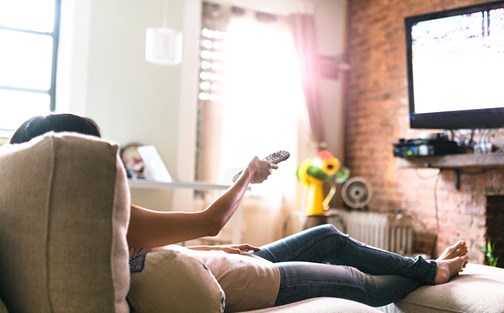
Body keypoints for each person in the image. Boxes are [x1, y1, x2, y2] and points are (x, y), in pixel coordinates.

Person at [10, 113, 469, 311]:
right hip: (249, 282)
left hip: (227, 262)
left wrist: (220, 248)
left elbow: (152, 255)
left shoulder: (76, 230)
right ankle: (431, 271)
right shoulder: (103, 222)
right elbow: (210, 218)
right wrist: (249, 174)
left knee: (329, 237)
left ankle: (426, 267)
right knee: (363, 286)